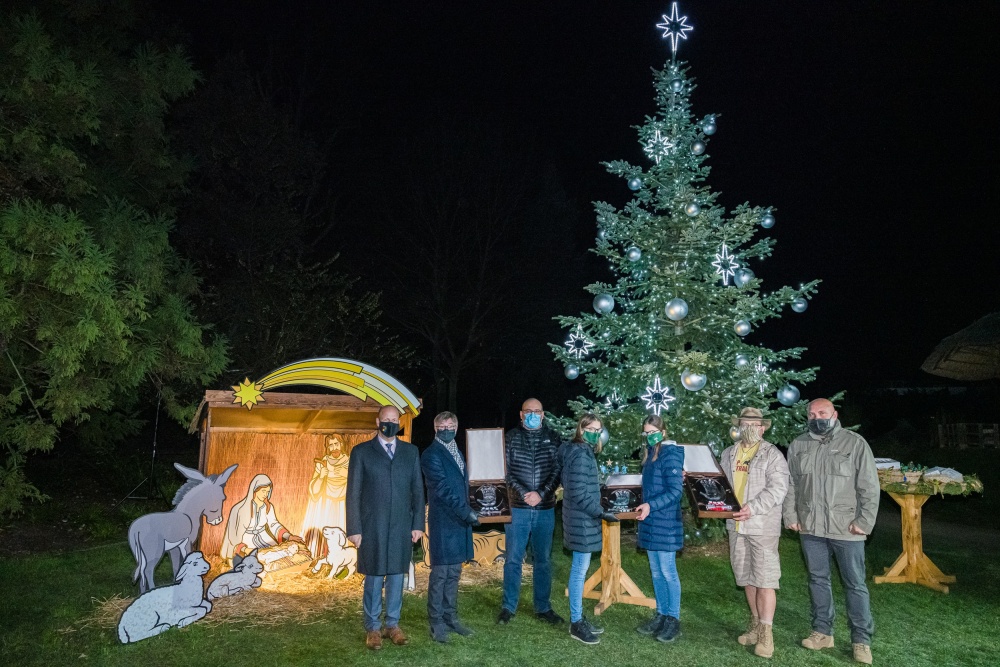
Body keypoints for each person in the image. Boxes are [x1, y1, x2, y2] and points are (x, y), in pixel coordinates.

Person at [783, 398, 879, 666]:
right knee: (817, 580)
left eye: (822, 412)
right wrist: (791, 515)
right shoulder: (799, 444)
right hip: (811, 527)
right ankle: (822, 632)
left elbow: (869, 487)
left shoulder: (855, 443)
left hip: (846, 528)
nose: (817, 417)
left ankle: (861, 640)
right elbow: (790, 484)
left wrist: (864, 521)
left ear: (834, 414)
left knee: (855, 585)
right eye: (812, 414)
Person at [346, 405, 425, 651]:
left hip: (401, 525)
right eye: (386, 419)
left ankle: (392, 624)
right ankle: (372, 627)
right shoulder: (361, 452)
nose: (390, 423)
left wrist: (417, 524)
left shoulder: (410, 452)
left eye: (394, 419)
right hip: (372, 526)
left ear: (399, 423)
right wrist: (354, 528)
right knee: (373, 576)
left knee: (396, 575)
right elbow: (353, 494)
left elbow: (418, 491)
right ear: (377, 421)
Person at [721, 407, 789, 659]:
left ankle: (767, 634)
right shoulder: (728, 453)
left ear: (763, 428)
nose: (750, 427)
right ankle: (755, 624)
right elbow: (718, 485)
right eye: (745, 423)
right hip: (736, 525)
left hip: (761, 526)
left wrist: (753, 508)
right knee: (746, 577)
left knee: (766, 579)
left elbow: (779, 489)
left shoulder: (772, 455)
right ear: (738, 426)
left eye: (755, 423)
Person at [498, 398, 563, 626]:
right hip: (518, 508)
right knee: (514, 560)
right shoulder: (510, 439)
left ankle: (543, 607)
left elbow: (557, 470)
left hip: (544, 509)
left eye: (537, 411)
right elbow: (504, 471)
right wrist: (525, 492)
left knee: (543, 560)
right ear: (521, 414)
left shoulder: (554, 439)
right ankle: (508, 606)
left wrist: (542, 493)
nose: (533, 414)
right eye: (529, 411)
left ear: (543, 414)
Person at [560, 413, 620, 645]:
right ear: (581, 429)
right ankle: (576, 623)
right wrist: (600, 512)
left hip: (581, 518)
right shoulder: (580, 454)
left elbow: (582, 485)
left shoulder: (581, 451)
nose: (594, 432)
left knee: (580, 568)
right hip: (581, 520)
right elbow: (577, 492)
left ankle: (579, 618)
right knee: (579, 571)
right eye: (590, 428)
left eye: (598, 429)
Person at [420, 411, 480, 643]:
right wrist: (467, 512)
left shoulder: (457, 451)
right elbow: (442, 489)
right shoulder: (431, 454)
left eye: (451, 424)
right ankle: (436, 621)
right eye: (443, 425)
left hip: (459, 520)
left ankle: (451, 617)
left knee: (454, 572)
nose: (448, 428)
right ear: (435, 428)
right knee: (441, 573)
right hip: (444, 521)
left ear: (457, 426)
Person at [634, 414, 684, 643]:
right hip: (651, 520)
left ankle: (673, 619)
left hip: (665, 522)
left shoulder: (670, 454)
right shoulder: (650, 457)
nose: (649, 436)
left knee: (668, 571)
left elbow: (675, 492)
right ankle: (661, 614)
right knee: (655, 572)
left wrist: (650, 505)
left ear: (663, 432)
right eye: (646, 432)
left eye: (653, 432)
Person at [220, 473, 304, 563]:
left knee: (280, 554)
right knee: (257, 559)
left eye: (268, 492)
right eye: (263, 491)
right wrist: (244, 549)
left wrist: (288, 536)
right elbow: (235, 535)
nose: (266, 494)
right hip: (247, 539)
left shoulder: (268, 507)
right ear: (255, 490)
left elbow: (273, 524)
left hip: (264, 537)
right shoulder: (241, 509)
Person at [302, 434, 351, 557]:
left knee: (342, 534)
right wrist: (321, 476)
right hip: (326, 504)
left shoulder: (350, 462)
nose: (334, 448)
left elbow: (360, 486)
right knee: (325, 534)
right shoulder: (323, 463)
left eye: (336, 444)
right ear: (328, 448)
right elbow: (314, 491)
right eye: (331, 445)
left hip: (343, 505)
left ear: (341, 444)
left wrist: (348, 475)